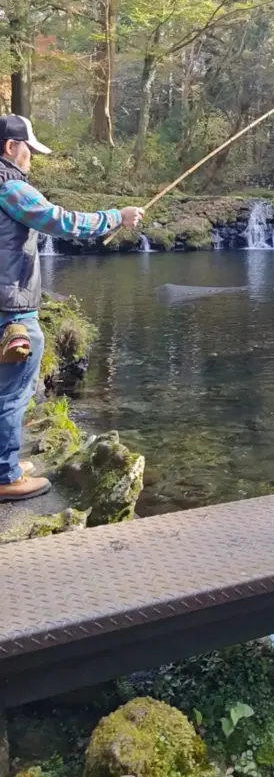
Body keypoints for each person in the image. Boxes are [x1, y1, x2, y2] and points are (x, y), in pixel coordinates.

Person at [0, 114, 144, 503]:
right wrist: (117, 216)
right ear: (12, 147)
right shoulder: (10, 187)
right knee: (13, 391)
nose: (31, 157)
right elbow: (57, 220)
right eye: (29, 149)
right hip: (10, 309)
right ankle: (4, 475)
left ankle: (4, 460)